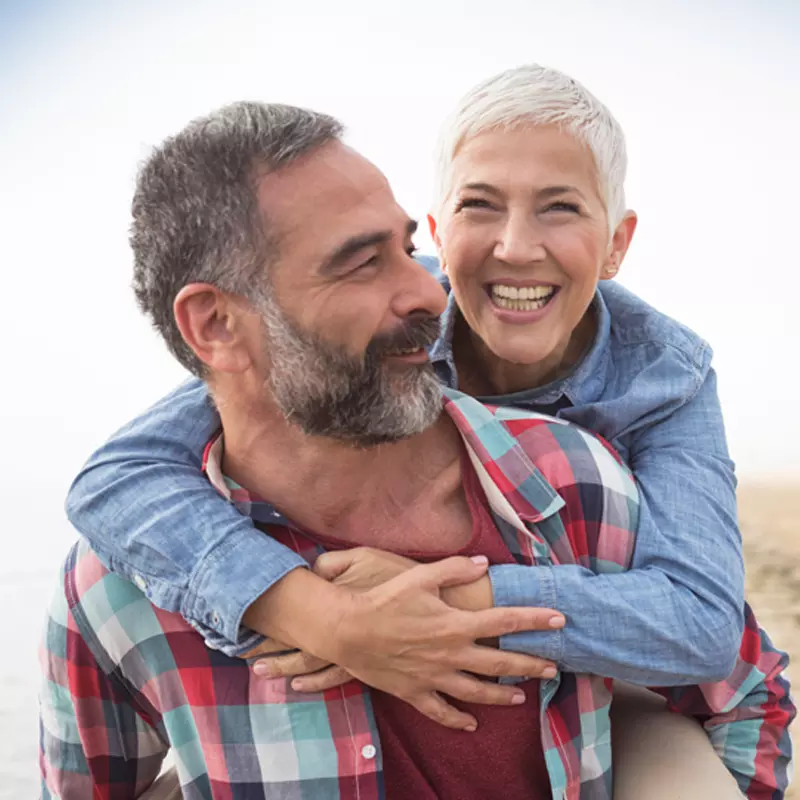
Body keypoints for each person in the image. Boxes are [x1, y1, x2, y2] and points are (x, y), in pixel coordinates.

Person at [41, 101, 791, 800]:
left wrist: (468, 601)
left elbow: (713, 641)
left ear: (617, 242)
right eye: (365, 261)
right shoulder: (121, 579)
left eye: (560, 206)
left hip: (612, 672)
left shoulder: (620, 443)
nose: (513, 249)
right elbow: (122, 471)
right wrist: (321, 614)